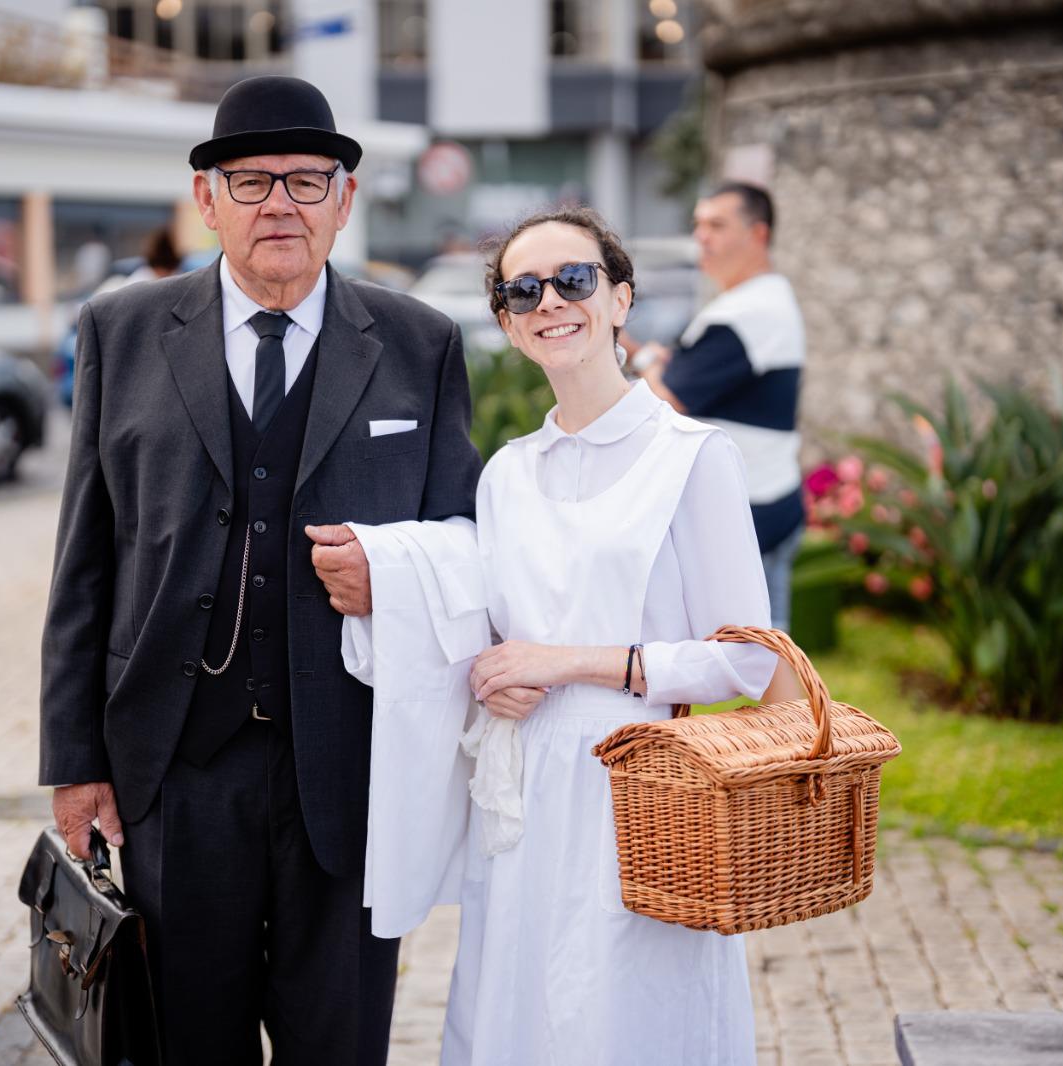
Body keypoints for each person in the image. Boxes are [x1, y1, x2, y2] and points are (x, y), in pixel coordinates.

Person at [38, 75, 480, 1065]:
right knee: (189, 1034)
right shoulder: (123, 330)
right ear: (205, 200)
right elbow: (86, 558)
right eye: (249, 181)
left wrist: (398, 576)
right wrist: (73, 758)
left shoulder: (420, 342)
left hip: (353, 762)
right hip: (175, 761)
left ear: (345, 199)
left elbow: (466, 537)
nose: (278, 202)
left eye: (306, 179)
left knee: (341, 1036)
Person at [330, 206, 805, 1064]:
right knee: (518, 1016)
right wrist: (494, 671)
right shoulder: (507, 474)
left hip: (646, 797)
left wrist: (570, 663)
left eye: (574, 279)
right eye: (523, 289)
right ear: (511, 327)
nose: (550, 300)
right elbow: (499, 630)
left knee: (624, 1022)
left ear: (621, 299)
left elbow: (745, 656)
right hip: (519, 798)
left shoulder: (693, 458)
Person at [633, 182, 807, 630]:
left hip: (752, 512)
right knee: (770, 662)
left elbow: (668, 399)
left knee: (764, 667)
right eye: (698, 225)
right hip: (766, 502)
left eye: (717, 225)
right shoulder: (758, 301)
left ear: (759, 234)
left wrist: (647, 361)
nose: (701, 237)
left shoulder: (747, 312)